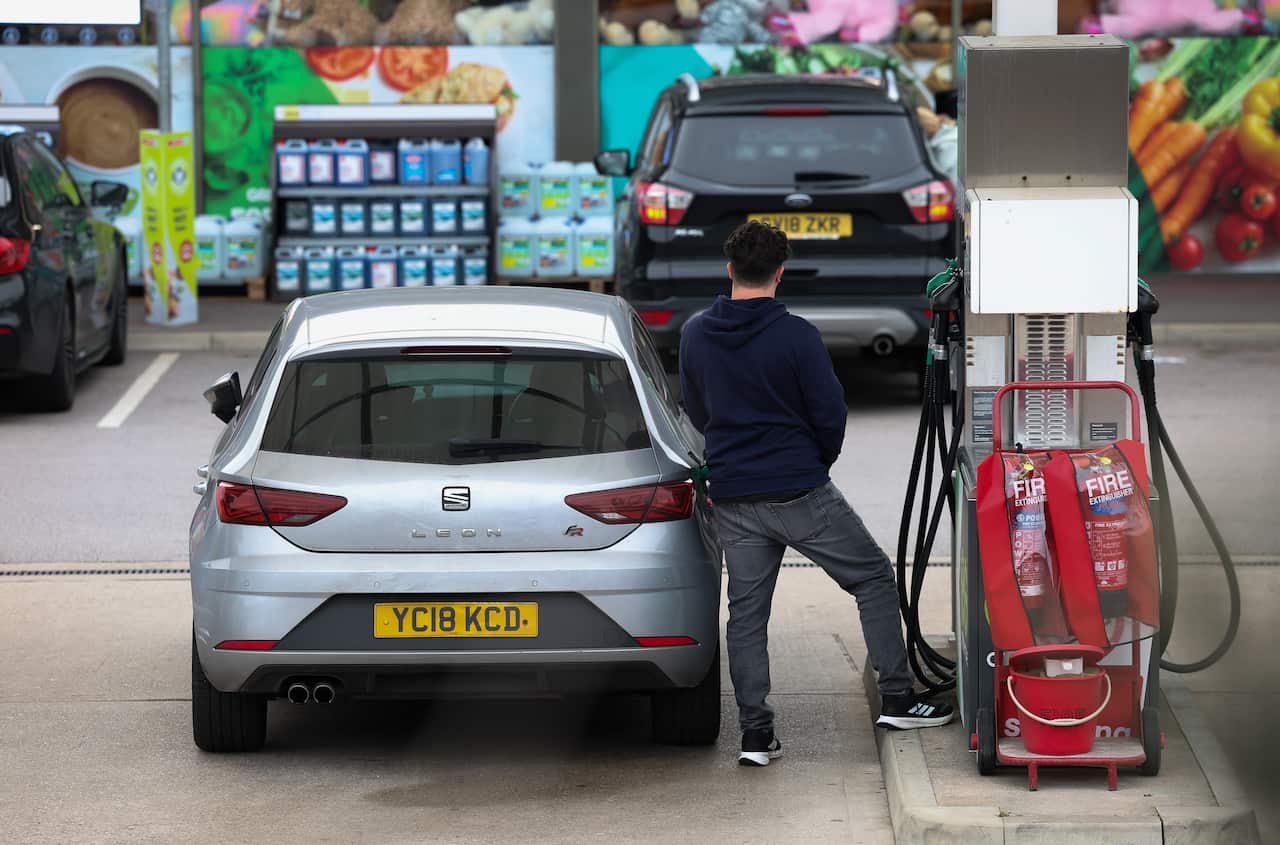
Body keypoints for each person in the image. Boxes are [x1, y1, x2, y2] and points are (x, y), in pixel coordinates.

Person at [679, 221, 952, 767]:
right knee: (873, 578)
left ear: (729, 269)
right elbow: (830, 414)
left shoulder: (695, 333)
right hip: (799, 490)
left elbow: (696, 408)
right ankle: (898, 697)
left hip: (733, 496)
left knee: (747, 618)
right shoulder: (797, 335)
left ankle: (756, 736)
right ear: (781, 273)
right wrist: (812, 464)